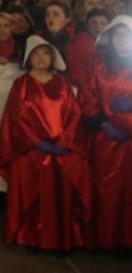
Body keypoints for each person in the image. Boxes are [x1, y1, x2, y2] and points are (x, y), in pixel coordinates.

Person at [0, 36, 92, 255]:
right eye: (36, 54)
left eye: (45, 53)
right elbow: (15, 118)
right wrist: (37, 143)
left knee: (61, 194)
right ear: (29, 57)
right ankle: (31, 237)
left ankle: (59, 239)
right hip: (31, 150)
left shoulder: (63, 85)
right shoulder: (21, 85)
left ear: (52, 57)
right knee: (35, 193)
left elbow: (74, 115)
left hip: (61, 149)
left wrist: (64, 142)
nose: (41, 58)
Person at [80, 14, 132, 257]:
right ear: (110, 36)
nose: (122, 39)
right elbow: (88, 97)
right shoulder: (98, 63)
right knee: (107, 191)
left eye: (127, 34)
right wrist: (102, 123)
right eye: (118, 34)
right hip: (107, 141)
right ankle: (105, 240)